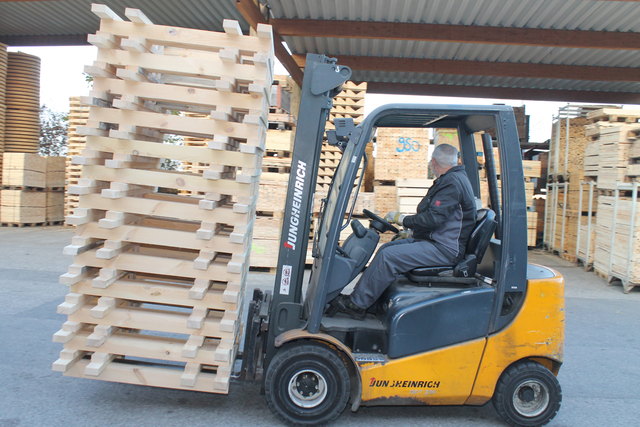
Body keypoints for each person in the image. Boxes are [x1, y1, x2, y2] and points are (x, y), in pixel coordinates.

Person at [327, 143, 477, 320]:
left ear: (434, 162)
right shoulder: (453, 179)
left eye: (430, 162)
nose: (430, 165)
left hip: (444, 249)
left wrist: (402, 219)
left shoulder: (452, 182)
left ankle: (357, 305)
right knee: (385, 249)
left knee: (389, 257)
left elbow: (432, 219)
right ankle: (369, 301)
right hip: (435, 241)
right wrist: (410, 231)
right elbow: (438, 218)